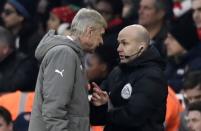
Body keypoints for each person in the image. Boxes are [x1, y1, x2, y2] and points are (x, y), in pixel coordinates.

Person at [28, 8, 107, 131]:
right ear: (89, 31)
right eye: (101, 35)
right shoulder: (64, 53)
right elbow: (53, 110)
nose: (101, 41)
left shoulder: (73, 55)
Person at [91, 24, 168, 131]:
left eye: (125, 43)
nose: (118, 49)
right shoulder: (117, 72)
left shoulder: (152, 76)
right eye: (119, 43)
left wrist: (107, 108)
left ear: (141, 47)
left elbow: (134, 116)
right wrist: (99, 105)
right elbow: (96, 118)